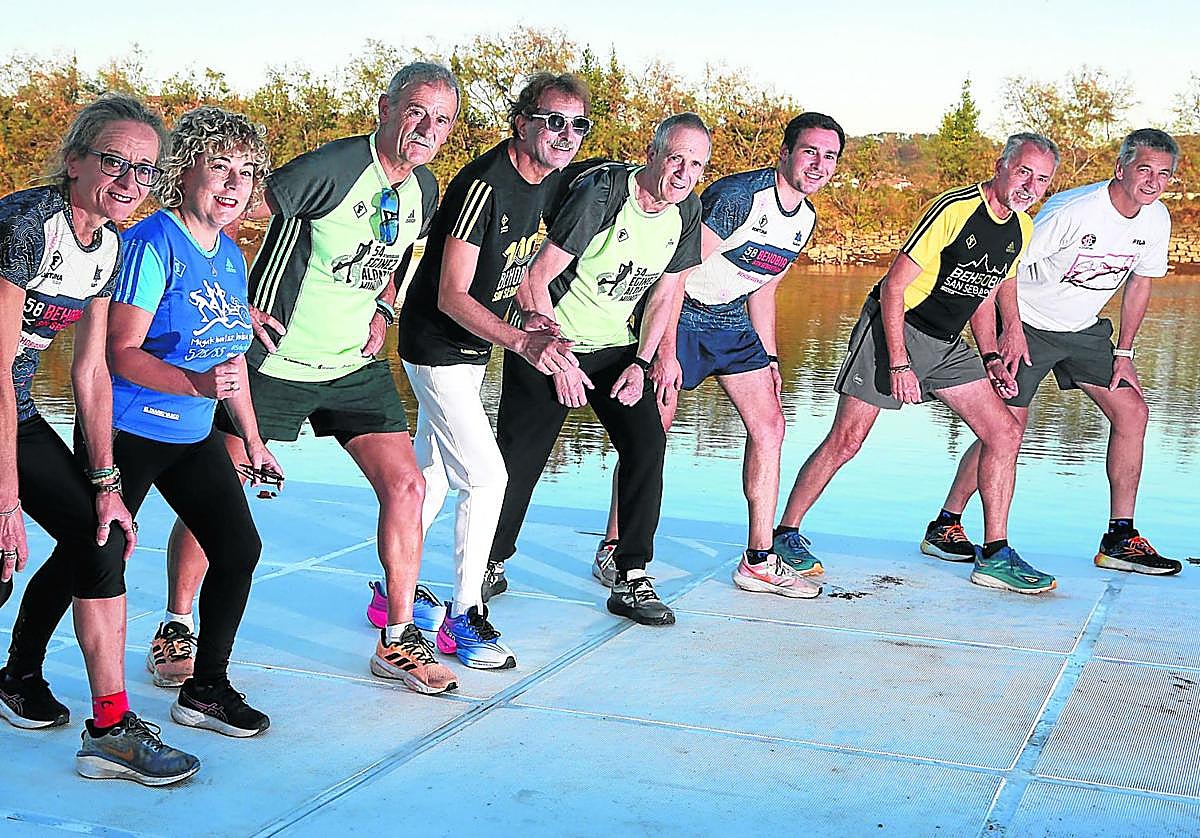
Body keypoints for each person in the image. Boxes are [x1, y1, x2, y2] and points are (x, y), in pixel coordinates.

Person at [158, 62, 460, 696]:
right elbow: (227, 214)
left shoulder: (425, 188)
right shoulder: (334, 168)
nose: (427, 129)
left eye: (441, 120)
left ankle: (400, 639)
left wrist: (383, 308)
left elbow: (400, 254)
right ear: (385, 107)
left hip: (353, 367)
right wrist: (231, 301)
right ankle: (177, 627)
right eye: (415, 113)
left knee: (407, 485)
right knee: (219, 495)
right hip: (275, 362)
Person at [0, 92, 200, 785]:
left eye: (144, 169)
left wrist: (108, 487)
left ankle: (109, 728)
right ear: (76, 160)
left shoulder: (109, 246)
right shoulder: (27, 224)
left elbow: (90, 371)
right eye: (113, 161)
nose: (128, 181)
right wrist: (5, 505)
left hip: (15, 408)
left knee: (100, 533)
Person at [772, 133, 1061, 594]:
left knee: (1005, 431)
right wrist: (901, 363)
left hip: (946, 344)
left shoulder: (1021, 227)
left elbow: (983, 292)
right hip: (895, 329)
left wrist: (990, 355)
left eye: (1041, 179)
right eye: (1024, 171)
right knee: (847, 440)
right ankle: (784, 534)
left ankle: (995, 553)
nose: (1030, 185)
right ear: (1002, 165)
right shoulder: (956, 209)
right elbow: (893, 287)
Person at [592, 112, 846, 599]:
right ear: (786, 153)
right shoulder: (739, 199)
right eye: (809, 151)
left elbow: (763, 290)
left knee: (771, 426)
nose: (818, 164)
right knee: (650, 432)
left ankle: (757, 559)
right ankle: (613, 546)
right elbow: (675, 272)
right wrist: (663, 352)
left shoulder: (806, 219)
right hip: (682, 314)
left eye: (828, 156)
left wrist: (770, 358)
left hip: (730, 323)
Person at [383, 73, 590, 669]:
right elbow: (451, 294)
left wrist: (540, 320)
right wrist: (523, 345)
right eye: (555, 121)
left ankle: (392, 595)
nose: (566, 135)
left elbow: (523, 273)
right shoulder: (484, 184)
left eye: (578, 125)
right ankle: (462, 616)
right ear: (521, 122)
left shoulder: (544, 184)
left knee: (432, 477)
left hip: (474, 351)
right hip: (437, 345)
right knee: (486, 477)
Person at [921, 129, 1182, 576]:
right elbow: (1006, 267)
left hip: (1083, 331)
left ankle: (1120, 538)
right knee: (1005, 430)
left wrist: (1124, 352)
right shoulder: (1072, 211)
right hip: (1027, 323)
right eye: (1144, 170)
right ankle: (946, 525)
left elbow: (1140, 283)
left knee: (1133, 413)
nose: (1153, 182)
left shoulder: (1156, 220)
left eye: (1164, 174)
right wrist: (1012, 332)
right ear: (1121, 169)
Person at [484, 113, 709, 626]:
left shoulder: (687, 210)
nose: (683, 172)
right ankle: (488, 563)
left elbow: (666, 293)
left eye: (695, 164)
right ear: (651, 154)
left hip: (615, 348)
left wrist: (643, 361)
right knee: (520, 461)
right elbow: (532, 277)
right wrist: (553, 353)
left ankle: (630, 576)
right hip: (549, 338)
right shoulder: (604, 196)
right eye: (675, 158)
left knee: (647, 445)